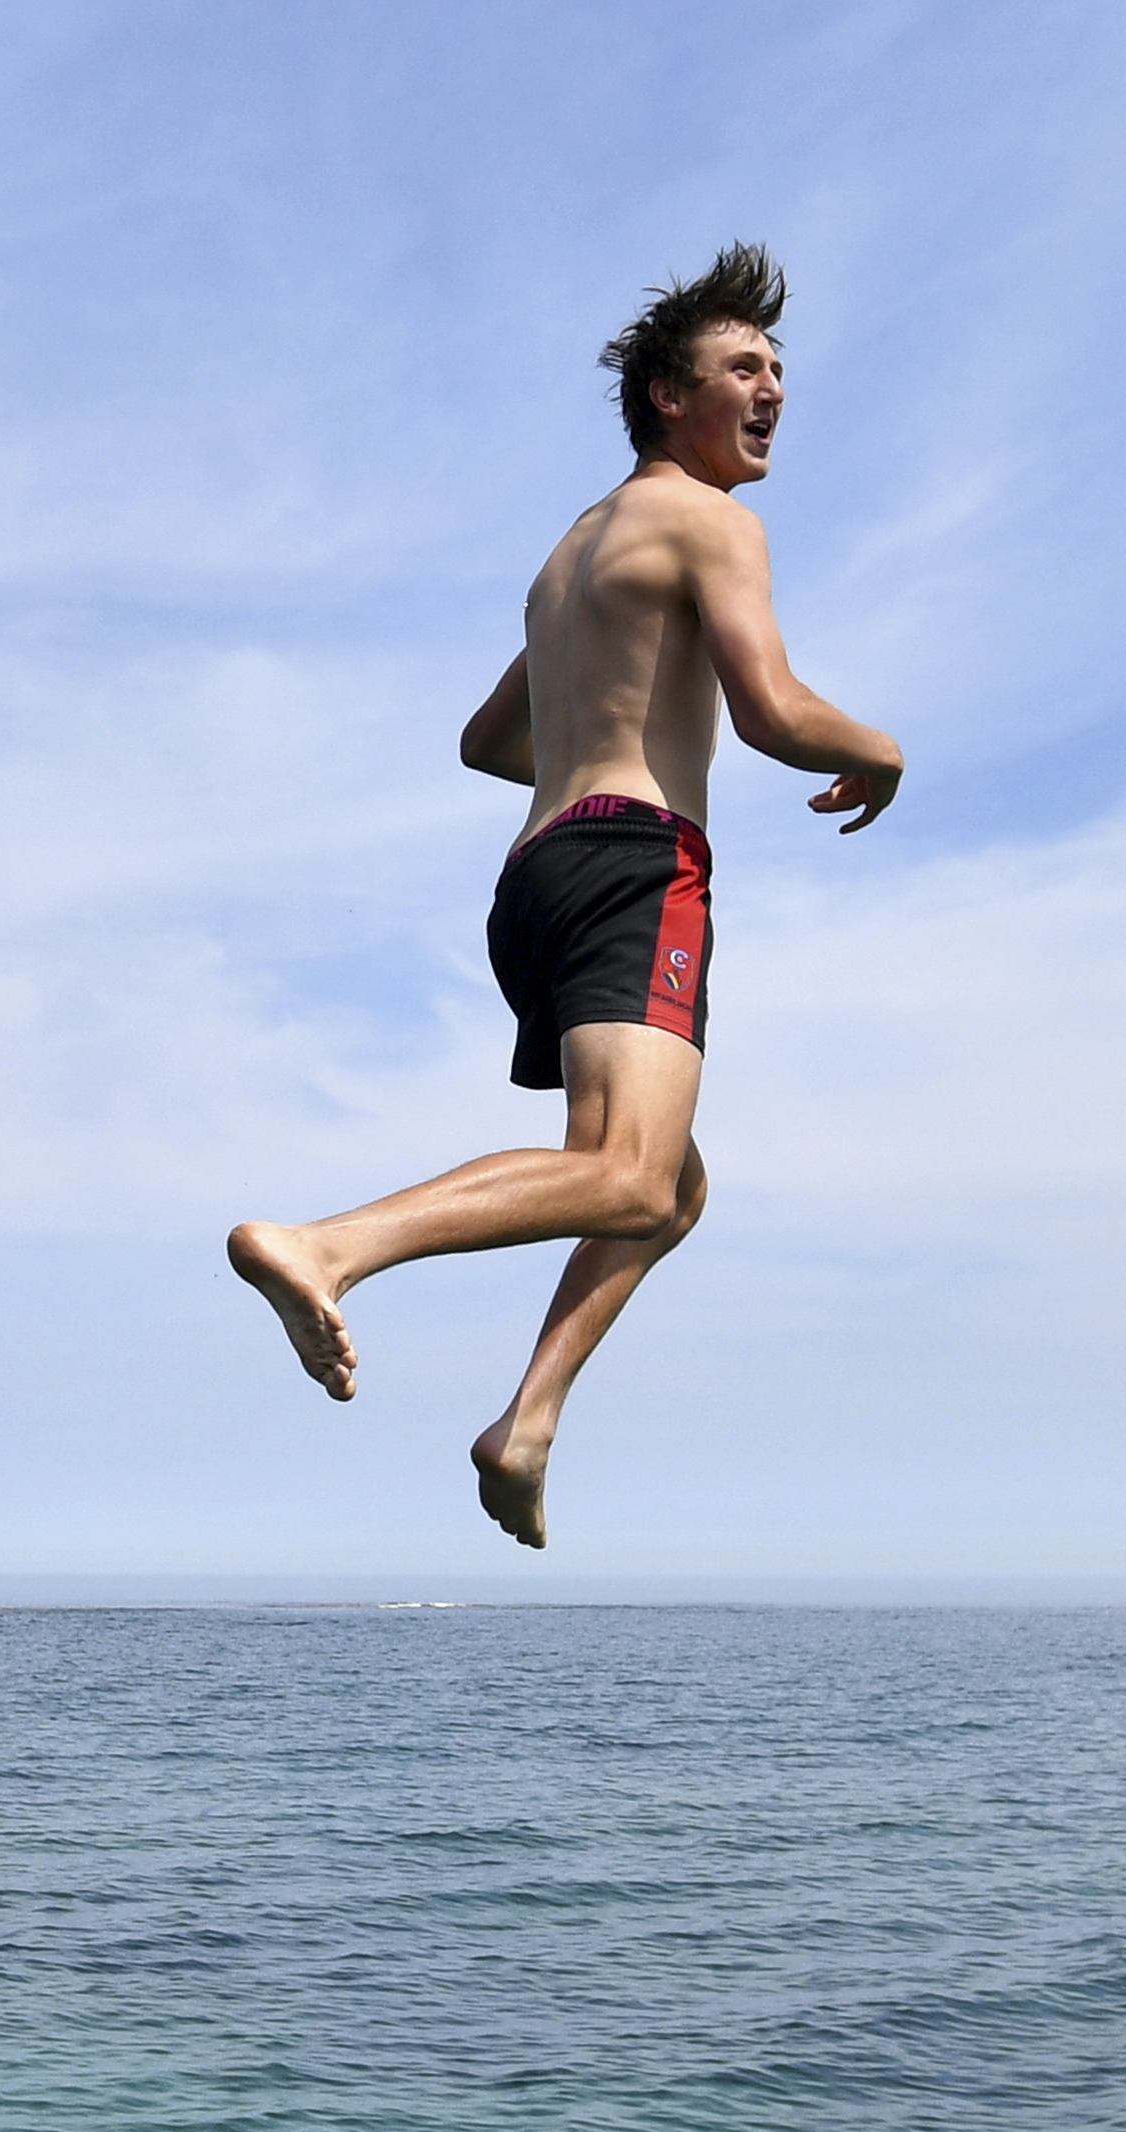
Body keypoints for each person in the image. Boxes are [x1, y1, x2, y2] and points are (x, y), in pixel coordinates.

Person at [226, 242, 905, 1548]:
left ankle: (524, 1424)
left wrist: (612, 729)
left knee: (667, 1184)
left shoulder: (569, 557)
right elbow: (772, 713)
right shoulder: (713, 521)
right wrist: (874, 748)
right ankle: (327, 1244)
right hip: (638, 864)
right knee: (628, 1173)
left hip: (536, 875)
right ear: (667, 393)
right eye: (741, 369)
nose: (770, 391)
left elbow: (488, 742)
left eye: (777, 372)